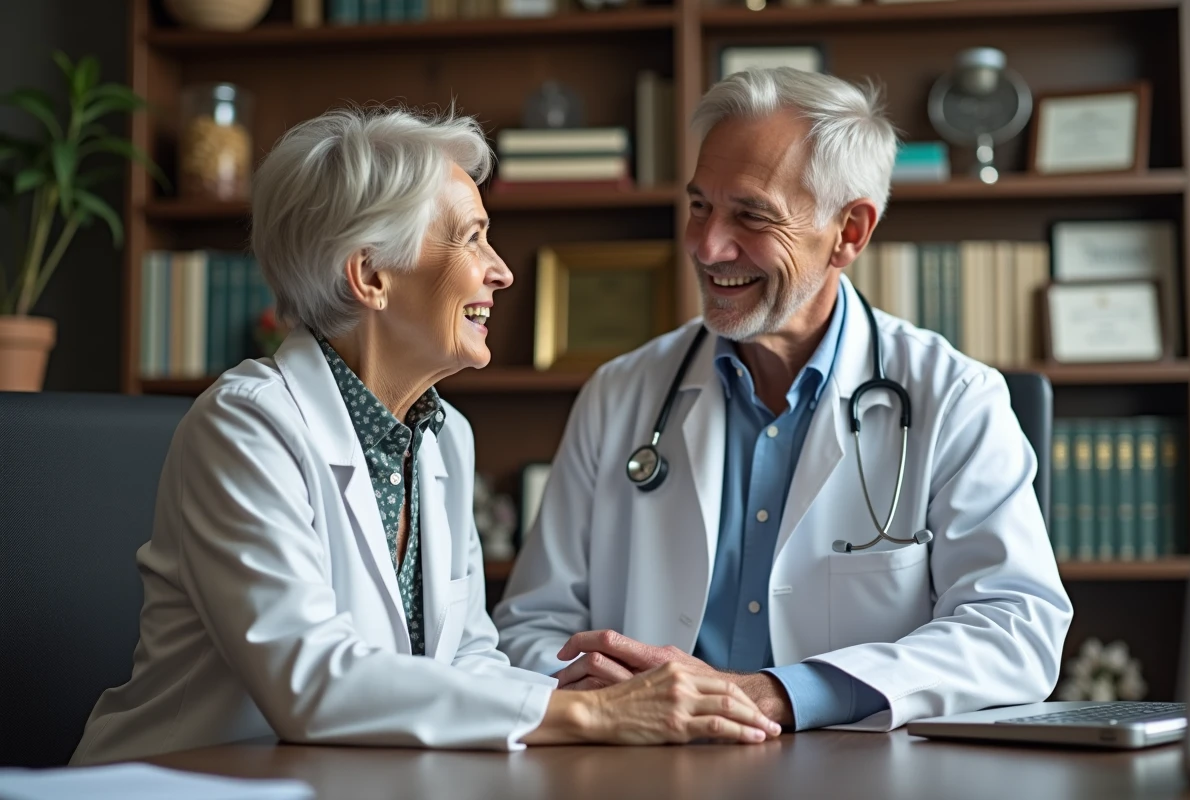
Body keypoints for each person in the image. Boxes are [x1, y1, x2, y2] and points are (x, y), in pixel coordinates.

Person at [70, 107, 781, 765]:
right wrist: (595, 718)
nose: (501, 271)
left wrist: (588, 694)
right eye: (472, 238)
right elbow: (309, 683)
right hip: (184, 781)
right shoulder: (247, 426)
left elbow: (468, 658)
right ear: (370, 275)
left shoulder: (443, 437)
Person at [493, 68, 1073, 731]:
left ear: (849, 233)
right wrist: (613, 701)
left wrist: (773, 695)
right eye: (700, 205)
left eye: (750, 214)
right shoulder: (621, 393)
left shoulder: (953, 398)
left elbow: (1015, 631)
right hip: (647, 766)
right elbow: (530, 627)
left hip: (860, 772)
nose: (706, 246)